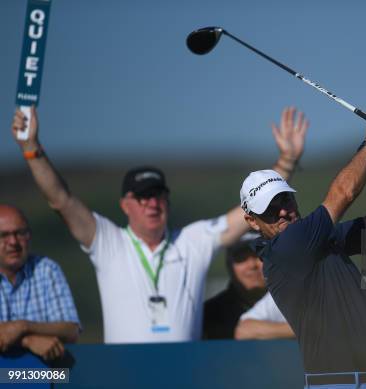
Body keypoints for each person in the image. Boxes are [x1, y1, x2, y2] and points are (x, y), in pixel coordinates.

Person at [10, 106, 307, 344]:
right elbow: (62, 200)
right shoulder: (108, 241)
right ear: (125, 205)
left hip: (184, 374)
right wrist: (31, 149)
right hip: (125, 375)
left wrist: (287, 161)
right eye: (142, 198)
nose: (152, 203)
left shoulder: (192, 240)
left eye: (158, 195)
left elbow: (247, 212)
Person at [240, 115, 366, 388]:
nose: (282, 210)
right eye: (270, 209)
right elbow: (344, 192)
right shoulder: (287, 247)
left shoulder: (316, 240)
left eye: (285, 199)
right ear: (252, 220)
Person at [0, 205, 80, 360]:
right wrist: (27, 340)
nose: (13, 242)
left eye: (20, 233)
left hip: (46, 375)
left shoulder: (46, 269)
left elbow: (71, 331)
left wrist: (23, 326)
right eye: (4, 235)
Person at [235, 289, 366, 341]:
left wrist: (362, 333)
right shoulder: (286, 291)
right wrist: (308, 330)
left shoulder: (354, 290)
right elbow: (244, 330)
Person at [203, 235, 266, 339]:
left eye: (259, 255)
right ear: (230, 266)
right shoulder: (207, 316)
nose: (251, 265)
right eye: (241, 258)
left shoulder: (294, 307)